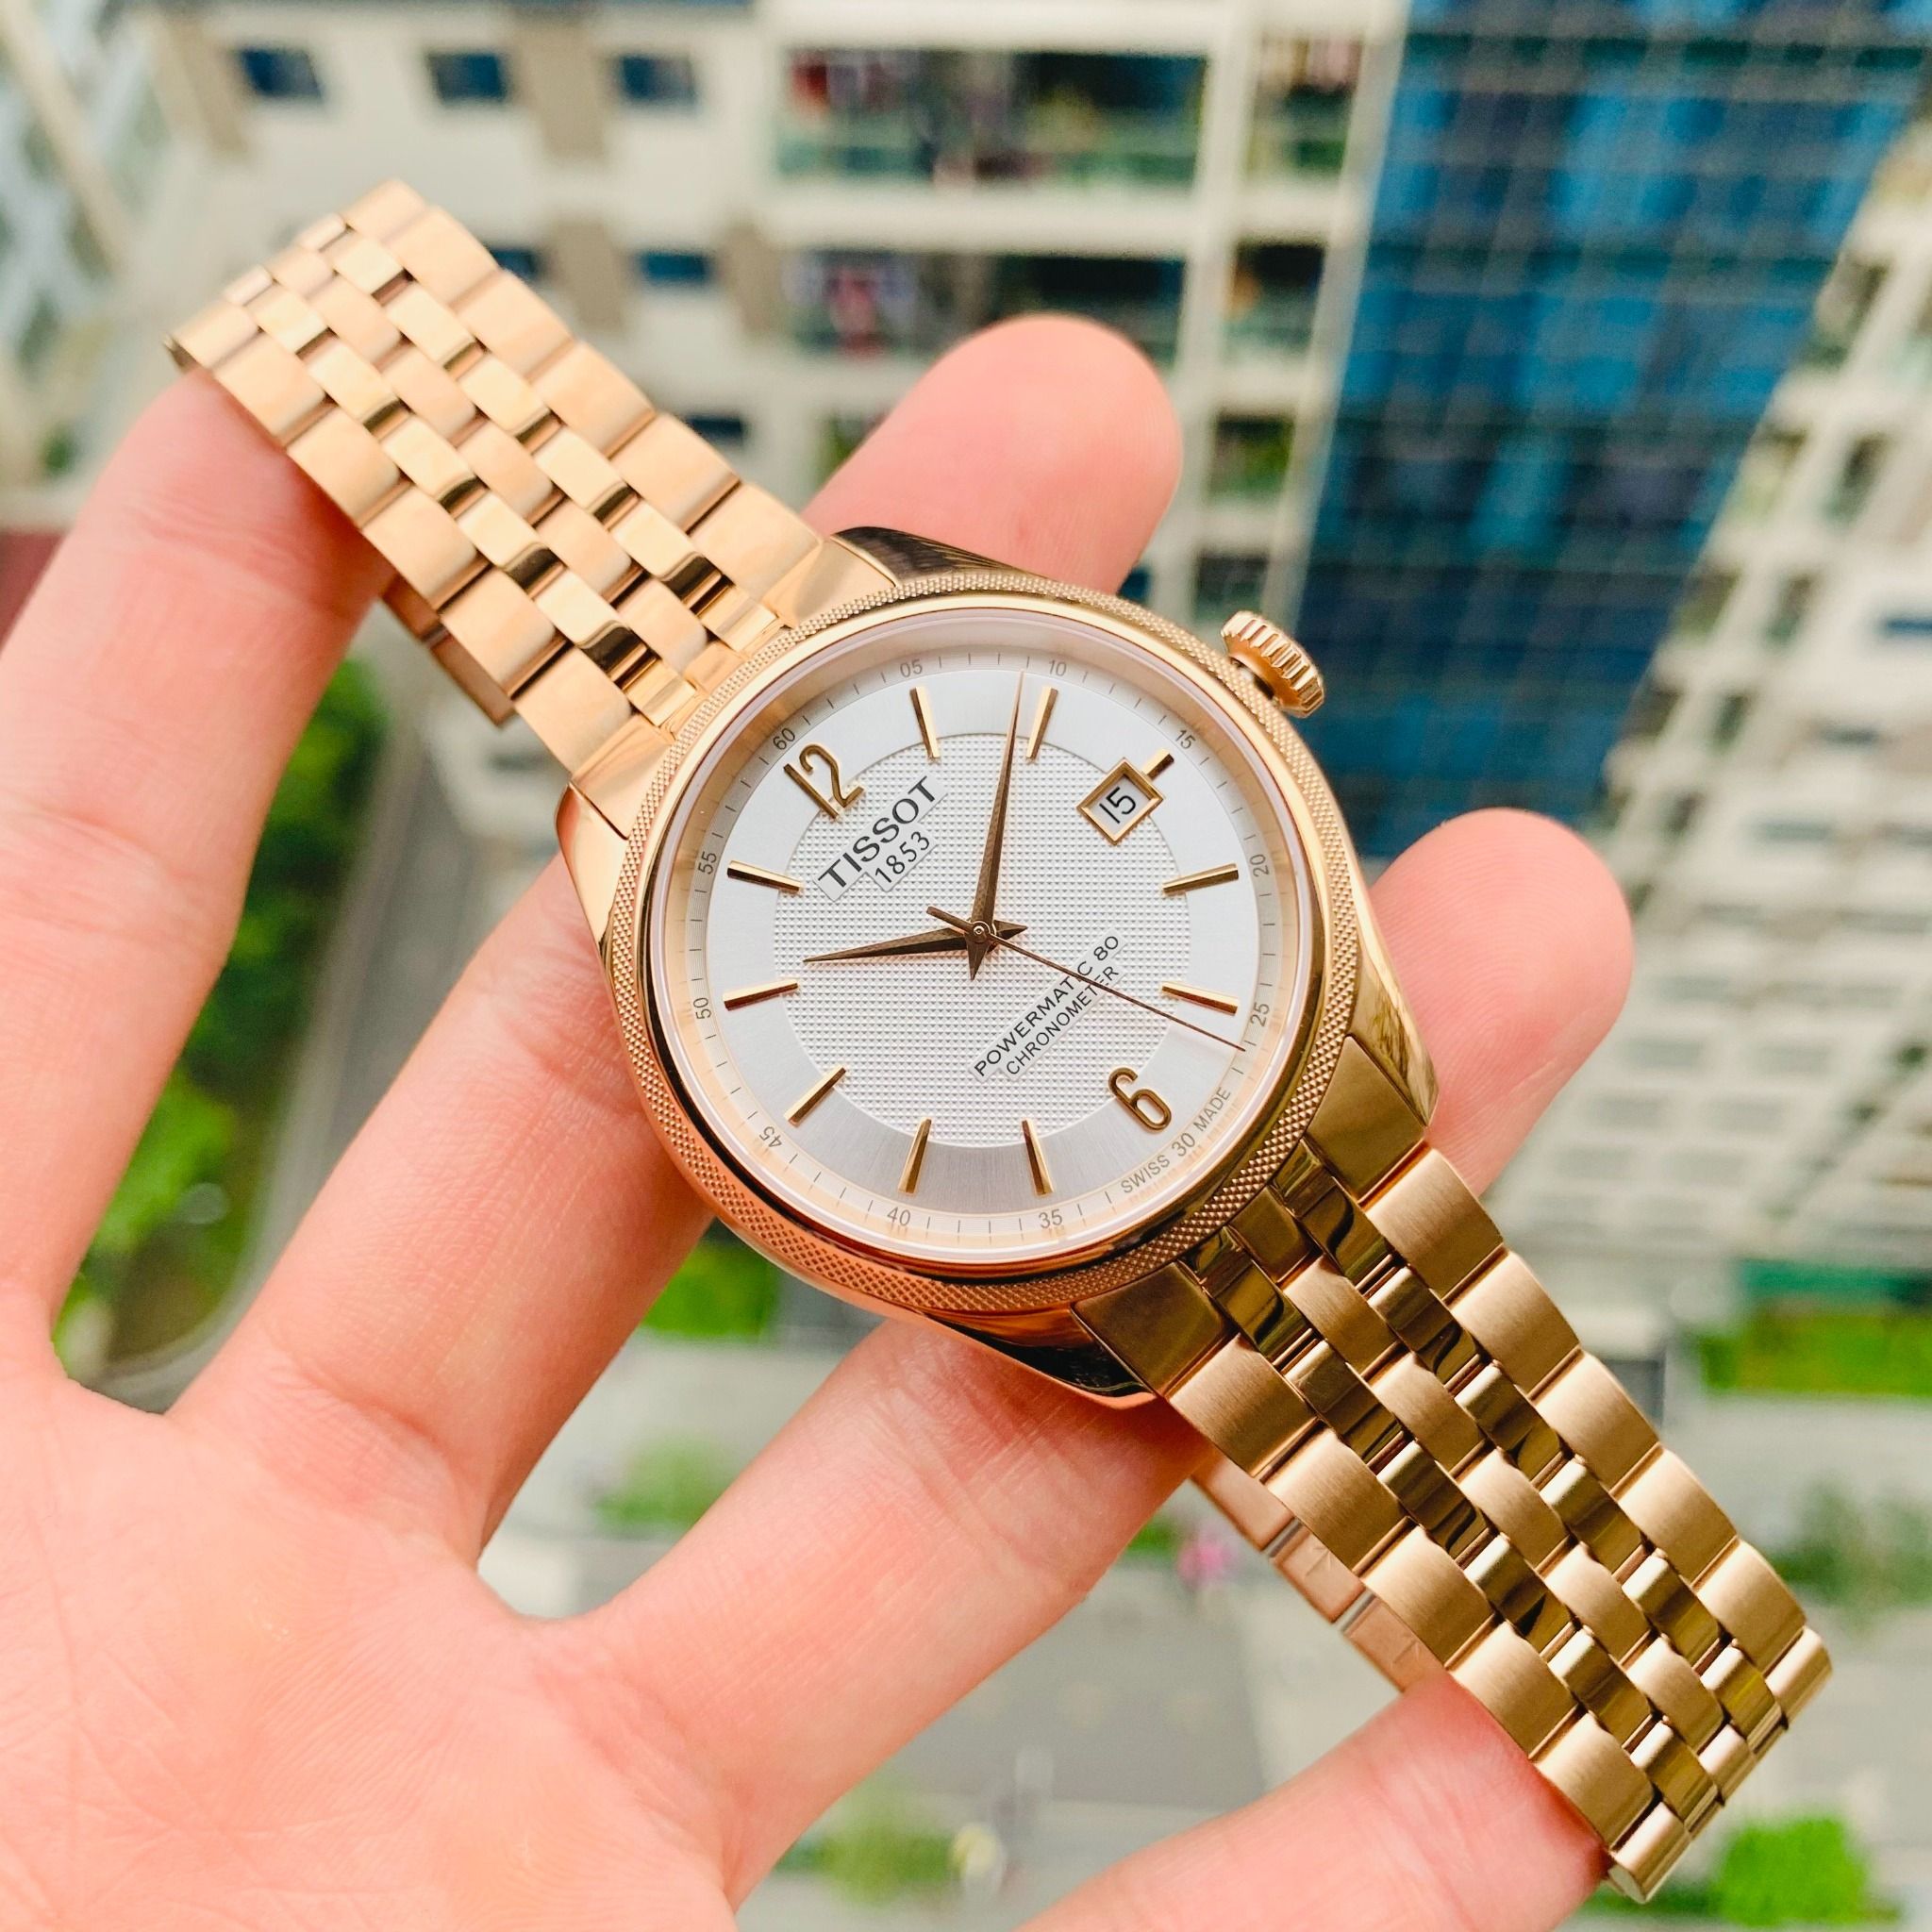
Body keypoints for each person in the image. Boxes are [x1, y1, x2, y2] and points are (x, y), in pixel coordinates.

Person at [0, 315, 1627, 1928]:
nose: (976, 938)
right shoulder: (693, 936)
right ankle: (1625, 1668)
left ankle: (1626, 1664)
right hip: (1112, 1203)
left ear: (1242, 690)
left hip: (1250, 1114)